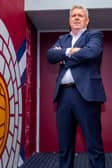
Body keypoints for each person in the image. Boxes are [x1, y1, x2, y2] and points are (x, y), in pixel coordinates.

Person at [46, 5, 106, 168]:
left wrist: (64, 56)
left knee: (94, 145)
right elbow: (50, 55)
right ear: (69, 20)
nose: (77, 18)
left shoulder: (95, 35)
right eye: (73, 16)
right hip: (64, 96)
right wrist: (72, 51)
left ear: (87, 20)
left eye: (80, 15)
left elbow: (91, 52)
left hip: (86, 96)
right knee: (65, 146)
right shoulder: (62, 39)